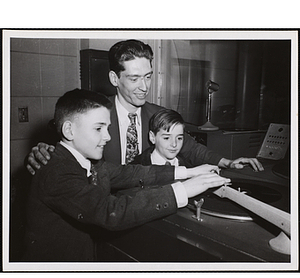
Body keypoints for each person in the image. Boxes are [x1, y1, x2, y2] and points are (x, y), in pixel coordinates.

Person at [22, 89, 230, 262]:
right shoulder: (57, 171)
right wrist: (183, 190)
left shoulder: (88, 161)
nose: (108, 136)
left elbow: (129, 172)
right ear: (69, 130)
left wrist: (190, 171)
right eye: (98, 128)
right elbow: (109, 211)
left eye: (108, 127)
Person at [26, 39, 264, 174]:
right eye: (134, 78)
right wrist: (44, 150)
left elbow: (192, 149)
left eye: (148, 77)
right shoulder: (93, 114)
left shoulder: (157, 114)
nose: (144, 87)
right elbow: (61, 147)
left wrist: (227, 162)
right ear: (114, 78)